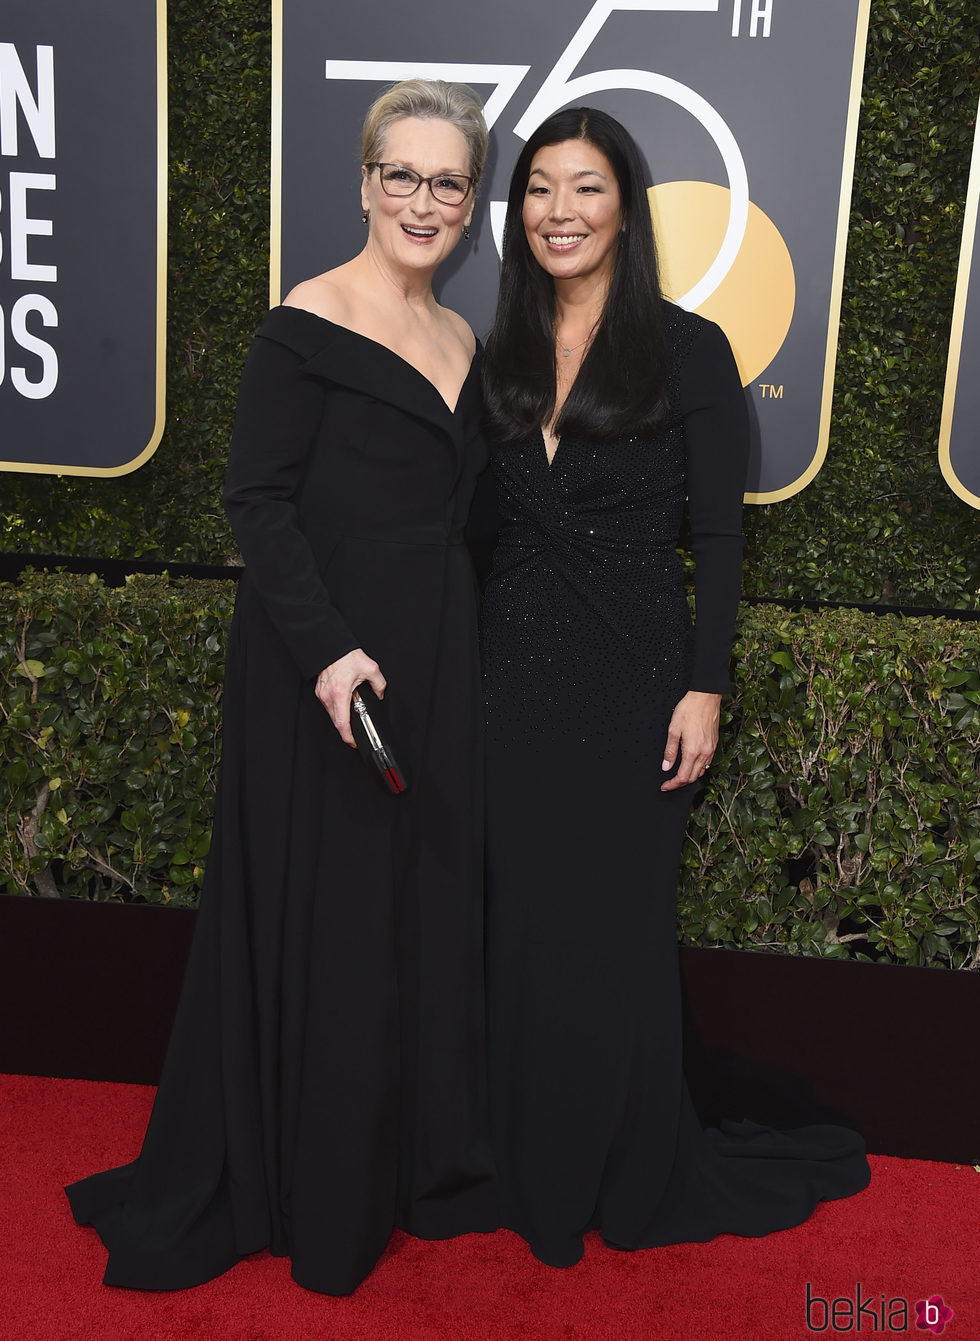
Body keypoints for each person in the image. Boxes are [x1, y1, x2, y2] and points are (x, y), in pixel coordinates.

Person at [66, 79, 497, 1296]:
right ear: (364, 184)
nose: (423, 200)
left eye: (448, 181)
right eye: (402, 175)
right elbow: (255, 500)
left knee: (409, 914)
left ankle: (402, 1157)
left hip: (435, 656)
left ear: (471, 205)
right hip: (328, 670)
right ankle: (314, 1185)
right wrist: (325, 653)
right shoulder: (305, 321)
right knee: (335, 917)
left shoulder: (463, 338)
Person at [480, 106, 870, 1269]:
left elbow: (718, 534)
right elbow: (461, 528)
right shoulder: (490, 346)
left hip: (633, 680)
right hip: (506, 680)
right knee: (520, 931)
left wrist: (705, 689)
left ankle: (622, 1160)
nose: (559, 211)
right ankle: (522, 1153)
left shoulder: (688, 348)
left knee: (611, 935)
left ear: (623, 207)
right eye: (539, 188)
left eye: (585, 188)